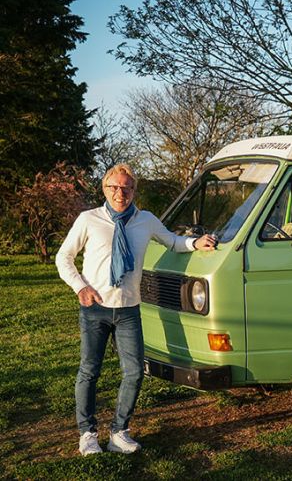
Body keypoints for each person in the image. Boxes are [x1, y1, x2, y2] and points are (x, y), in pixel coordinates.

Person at [56, 164, 216, 456]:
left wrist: (196, 243)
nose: (121, 193)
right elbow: (63, 257)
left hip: (129, 310)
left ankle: (119, 432)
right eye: (114, 188)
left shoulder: (146, 221)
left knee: (134, 372)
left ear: (134, 191)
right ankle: (87, 434)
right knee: (89, 371)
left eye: (126, 188)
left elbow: (173, 242)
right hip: (95, 309)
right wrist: (80, 287)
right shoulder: (88, 219)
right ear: (105, 189)